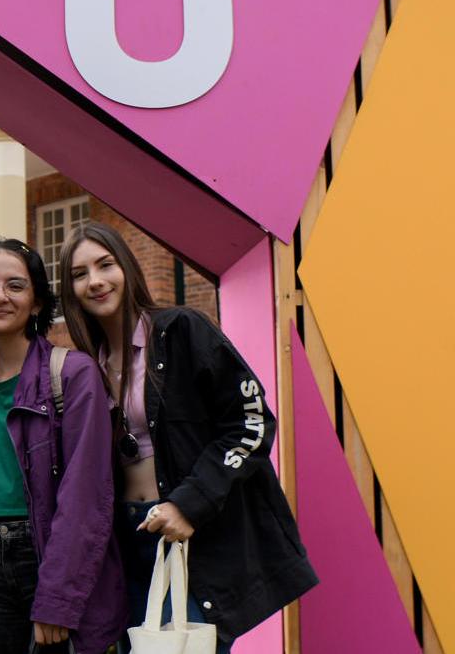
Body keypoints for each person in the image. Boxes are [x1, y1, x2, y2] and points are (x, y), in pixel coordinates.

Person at [58, 223, 317, 654]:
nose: (96, 281)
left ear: (127, 267)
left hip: (189, 535)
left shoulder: (182, 330)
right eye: (80, 274)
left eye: (105, 265)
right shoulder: (85, 366)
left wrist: (188, 505)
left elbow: (251, 424)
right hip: (126, 541)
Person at [0, 240, 127, 654]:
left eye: (15, 285)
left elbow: (87, 495)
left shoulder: (72, 374)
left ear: (36, 303)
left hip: (46, 556)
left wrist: (58, 598)